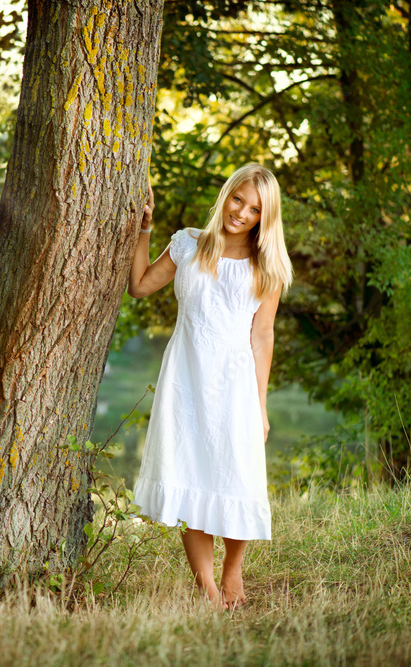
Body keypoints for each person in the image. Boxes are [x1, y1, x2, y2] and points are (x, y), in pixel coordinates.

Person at [127, 163, 293, 609]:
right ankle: (208, 588)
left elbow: (262, 336)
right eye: (238, 199)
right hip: (185, 379)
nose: (241, 212)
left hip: (235, 384)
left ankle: (232, 569)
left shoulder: (268, 267)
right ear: (226, 194)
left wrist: (261, 405)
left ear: (264, 217)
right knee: (188, 473)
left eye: (254, 209)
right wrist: (144, 230)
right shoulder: (187, 244)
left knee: (238, 475)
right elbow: (140, 286)